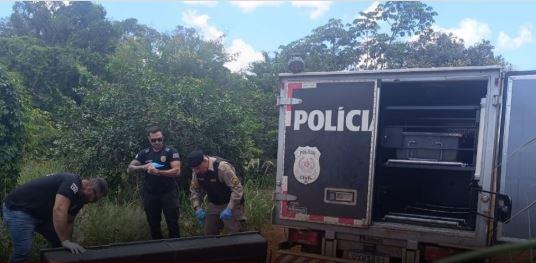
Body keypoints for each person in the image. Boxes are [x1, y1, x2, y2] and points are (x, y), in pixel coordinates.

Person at [2, 173, 108, 262]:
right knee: (23, 250)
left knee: (60, 242)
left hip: (40, 215)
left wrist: (67, 242)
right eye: (93, 194)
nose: (91, 199)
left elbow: (69, 221)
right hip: (19, 208)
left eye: (95, 200)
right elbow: (59, 209)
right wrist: (65, 241)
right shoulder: (72, 181)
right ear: (89, 184)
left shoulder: (81, 200)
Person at [127, 126, 181, 239]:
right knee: (153, 224)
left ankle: (176, 250)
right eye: (153, 140)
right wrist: (143, 167)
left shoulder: (170, 151)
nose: (157, 142)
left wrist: (159, 172)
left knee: (173, 223)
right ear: (149, 139)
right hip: (150, 194)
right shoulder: (144, 153)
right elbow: (130, 168)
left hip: (168, 193)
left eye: (159, 139)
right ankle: (158, 251)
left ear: (163, 137)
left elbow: (177, 171)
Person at [187, 149, 246, 235]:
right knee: (209, 233)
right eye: (194, 169)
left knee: (235, 234)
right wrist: (197, 208)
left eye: (197, 168)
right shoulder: (196, 171)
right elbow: (194, 190)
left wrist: (229, 208)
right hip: (214, 204)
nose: (196, 171)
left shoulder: (222, 168)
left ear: (205, 160)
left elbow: (237, 189)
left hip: (232, 203)